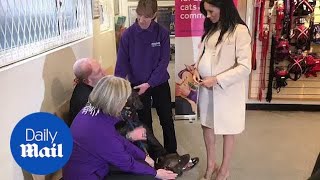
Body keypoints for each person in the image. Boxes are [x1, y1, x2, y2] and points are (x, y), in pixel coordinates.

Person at [69, 58, 199, 174]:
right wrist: (153, 173)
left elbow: (112, 134)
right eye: (99, 71)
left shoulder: (95, 99)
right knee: (136, 133)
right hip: (94, 168)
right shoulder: (85, 101)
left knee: (141, 127)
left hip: (98, 152)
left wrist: (143, 156)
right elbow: (122, 157)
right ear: (87, 80)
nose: (104, 71)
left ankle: (164, 160)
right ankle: (162, 165)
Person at [63, 75, 178, 180]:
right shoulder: (100, 131)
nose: (125, 103)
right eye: (124, 100)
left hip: (95, 165)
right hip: (88, 175)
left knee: (143, 165)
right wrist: (155, 173)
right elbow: (127, 163)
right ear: (115, 102)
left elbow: (118, 139)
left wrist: (143, 156)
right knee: (149, 176)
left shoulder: (91, 110)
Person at [192, 0, 252, 180]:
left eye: (211, 11)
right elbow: (204, 55)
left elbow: (245, 67)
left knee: (228, 129)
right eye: (206, 12)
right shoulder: (211, 29)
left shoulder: (240, 31)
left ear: (223, 6)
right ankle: (211, 165)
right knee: (207, 126)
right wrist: (196, 69)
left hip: (226, 92)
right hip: (206, 89)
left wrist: (217, 79)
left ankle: (224, 170)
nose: (208, 16)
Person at [115, 0, 177, 155]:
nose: (142, 20)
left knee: (166, 119)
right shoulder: (128, 35)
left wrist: (150, 83)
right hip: (137, 85)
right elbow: (122, 64)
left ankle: (171, 152)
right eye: (139, 15)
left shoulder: (162, 33)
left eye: (147, 17)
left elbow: (163, 62)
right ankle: (153, 155)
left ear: (154, 15)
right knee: (144, 122)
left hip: (159, 82)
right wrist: (117, 89)